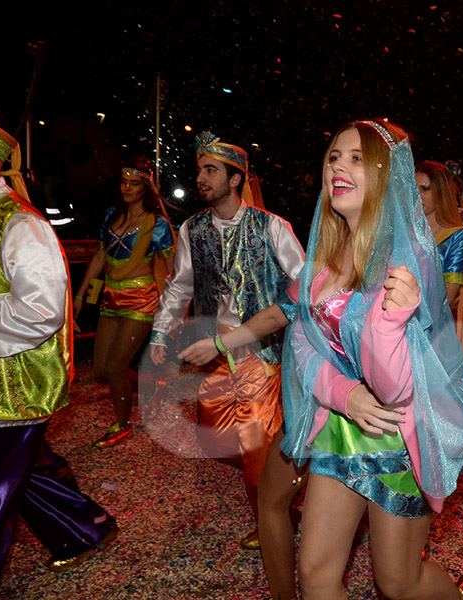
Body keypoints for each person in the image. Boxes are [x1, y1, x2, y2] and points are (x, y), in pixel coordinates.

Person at [276, 119, 463, 599]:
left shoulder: (410, 260)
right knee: (317, 573)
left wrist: (391, 322)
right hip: (341, 424)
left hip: (399, 432)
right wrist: (345, 395)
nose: (339, 168)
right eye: (333, 157)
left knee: (398, 581)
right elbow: (302, 344)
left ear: (389, 177)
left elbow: (397, 391)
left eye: (357, 159)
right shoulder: (324, 256)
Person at [0, 95, 119, 600]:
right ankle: (81, 528)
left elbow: (41, 312)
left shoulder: (20, 223)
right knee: (21, 470)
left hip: (3, 393)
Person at [148, 131, 306, 595]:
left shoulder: (271, 226)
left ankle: (279, 514)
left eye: (211, 171)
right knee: (229, 440)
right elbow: (179, 285)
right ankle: (280, 505)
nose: (201, 179)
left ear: (236, 178)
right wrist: (161, 330)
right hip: (217, 356)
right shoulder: (191, 229)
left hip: (267, 354)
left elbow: (302, 286)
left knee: (258, 446)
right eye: (199, 170)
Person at [73, 156, 175, 447]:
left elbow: (170, 272)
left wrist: (171, 310)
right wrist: (81, 295)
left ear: (145, 188)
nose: (127, 188)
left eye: (134, 183)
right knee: (102, 370)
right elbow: (99, 257)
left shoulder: (158, 226)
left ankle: (122, 424)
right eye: (123, 182)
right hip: (111, 296)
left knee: (117, 367)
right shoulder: (111, 216)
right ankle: (153, 386)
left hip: (142, 299)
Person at [415, 160, 463, 357]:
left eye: (425, 189)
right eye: (413, 189)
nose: (418, 195)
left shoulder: (457, 236)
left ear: (441, 193)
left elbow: (449, 295)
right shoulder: (408, 232)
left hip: (432, 329)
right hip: (396, 322)